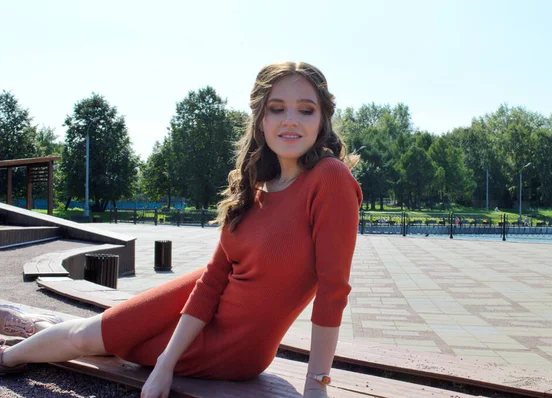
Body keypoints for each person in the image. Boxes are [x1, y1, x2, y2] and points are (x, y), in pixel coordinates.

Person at [0, 61, 363, 398]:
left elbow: (333, 291)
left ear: (322, 120)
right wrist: (166, 362)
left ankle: (24, 339)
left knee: (103, 344)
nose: (290, 120)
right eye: (276, 108)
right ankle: (11, 357)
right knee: (90, 334)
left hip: (233, 349)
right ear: (260, 119)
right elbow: (213, 279)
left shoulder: (330, 179)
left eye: (306, 109)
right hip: (193, 301)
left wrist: (316, 385)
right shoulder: (255, 187)